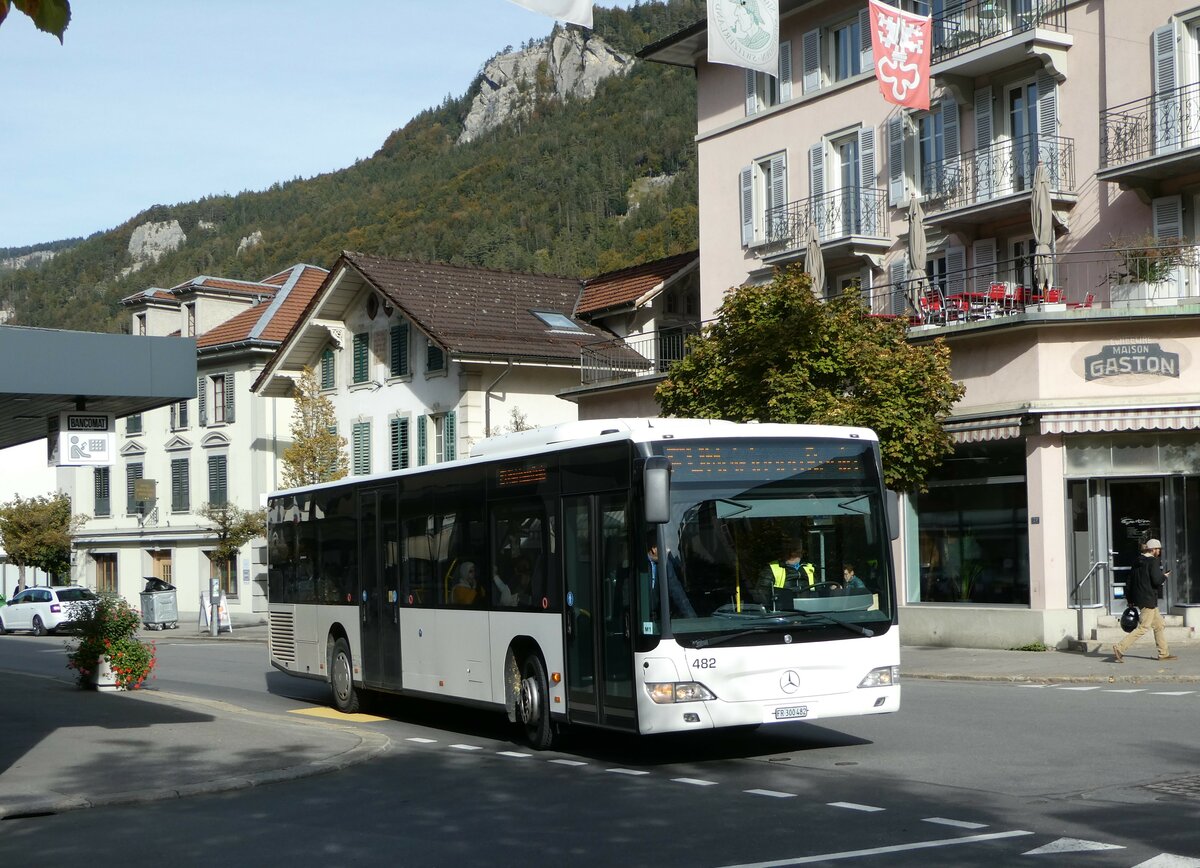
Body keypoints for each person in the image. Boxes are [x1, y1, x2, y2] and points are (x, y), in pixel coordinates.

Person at [1113, 538, 1177, 662]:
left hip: (1141, 599)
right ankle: (1119, 648)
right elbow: (1156, 581)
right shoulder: (1153, 561)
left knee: (1159, 624)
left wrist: (1130, 599)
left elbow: (1129, 581)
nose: (1159, 551)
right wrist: (1164, 576)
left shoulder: (1137, 561)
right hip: (1149, 599)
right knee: (1143, 627)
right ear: (1153, 550)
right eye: (1158, 549)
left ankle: (1163, 653)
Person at [647, 535, 697, 618]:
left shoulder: (666, 563)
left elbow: (676, 591)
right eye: (665, 547)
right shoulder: (640, 566)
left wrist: (692, 618)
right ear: (654, 549)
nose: (669, 550)